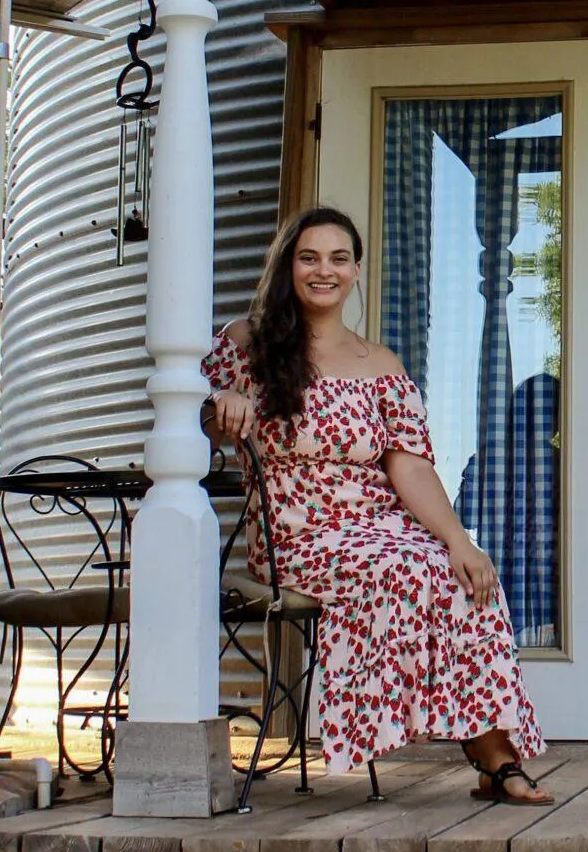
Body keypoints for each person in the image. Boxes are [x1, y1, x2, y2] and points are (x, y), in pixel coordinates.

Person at [202, 205, 550, 802]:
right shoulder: (246, 344)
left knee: (465, 573)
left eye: (338, 258)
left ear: (356, 270)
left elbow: (409, 467)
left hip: (379, 527)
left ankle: (495, 759)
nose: (323, 271)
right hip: (297, 533)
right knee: (417, 569)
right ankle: (486, 757)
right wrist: (224, 404)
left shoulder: (380, 365)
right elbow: (207, 422)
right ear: (288, 267)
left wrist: (459, 540)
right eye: (308, 257)